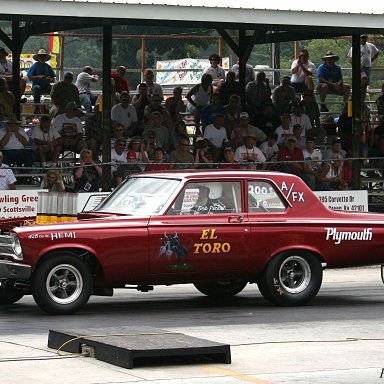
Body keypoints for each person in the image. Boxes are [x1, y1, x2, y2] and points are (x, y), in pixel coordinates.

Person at [347, 34, 380, 100]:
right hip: (359, 68)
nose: (363, 39)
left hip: (367, 67)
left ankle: (362, 101)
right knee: (359, 84)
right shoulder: (355, 46)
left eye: (364, 38)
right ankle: (356, 100)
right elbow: (350, 59)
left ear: (366, 38)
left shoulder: (370, 46)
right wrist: (357, 65)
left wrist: (371, 60)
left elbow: (377, 52)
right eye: (362, 38)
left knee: (365, 85)